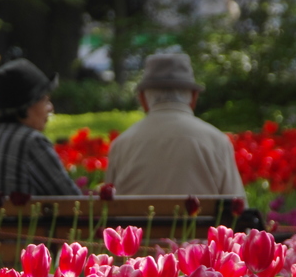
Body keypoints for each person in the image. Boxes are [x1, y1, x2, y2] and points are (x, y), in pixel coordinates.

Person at [105, 53, 246, 197]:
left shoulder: (121, 145)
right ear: (194, 97)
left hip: (134, 220)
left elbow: (109, 208)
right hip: (200, 220)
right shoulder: (217, 142)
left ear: (142, 98)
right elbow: (237, 206)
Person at [0, 59, 80, 196]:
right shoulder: (31, 143)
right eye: (45, 100)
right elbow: (72, 200)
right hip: (16, 218)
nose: (50, 108)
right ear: (26, 107)